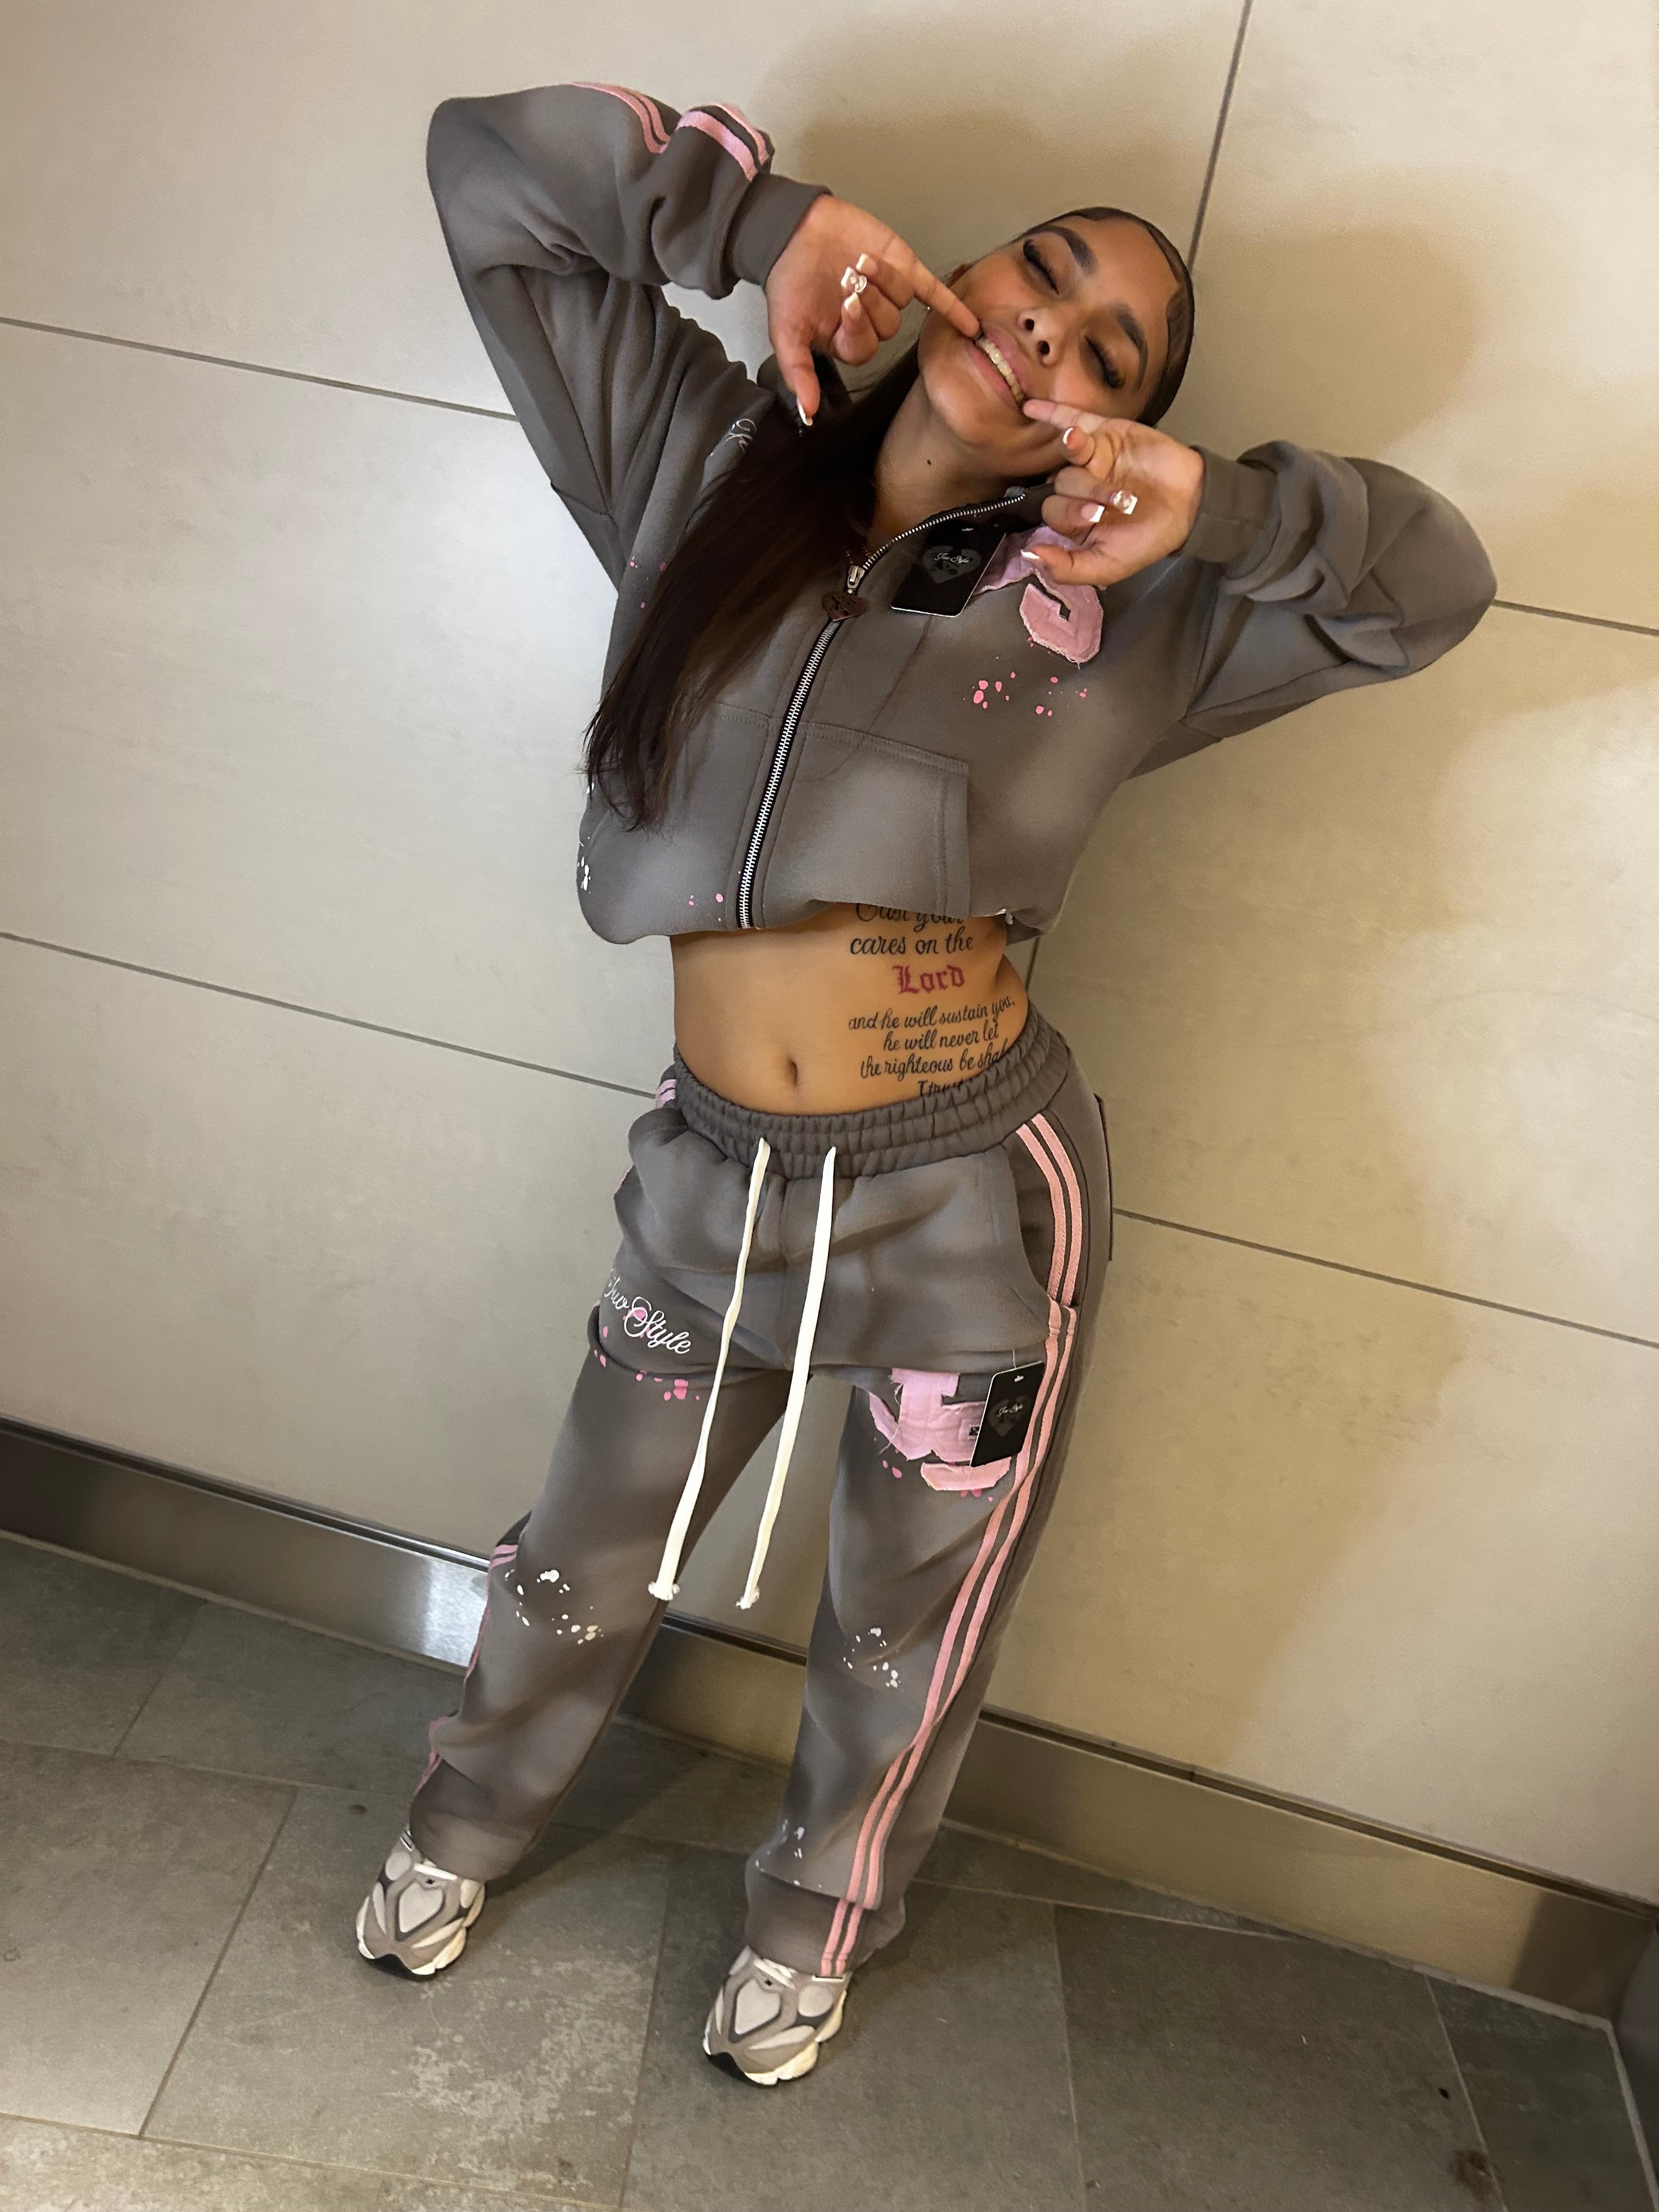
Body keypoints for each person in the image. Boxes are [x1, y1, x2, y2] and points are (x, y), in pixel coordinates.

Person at [353, 78, 1497, 2085]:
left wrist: (1223, 510)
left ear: (1105, 423)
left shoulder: (1135, 608)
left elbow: (1434, 589)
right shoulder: (698, 457)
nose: (1053, 331)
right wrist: (757, 225)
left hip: (971, 1209)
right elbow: (488, 174)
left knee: (906, 1616)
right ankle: (464, 1822)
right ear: (955, 274)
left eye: (1111, 353)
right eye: (1043, 274)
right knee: (583, 1547)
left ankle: (816, 1920)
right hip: (709, 1176)